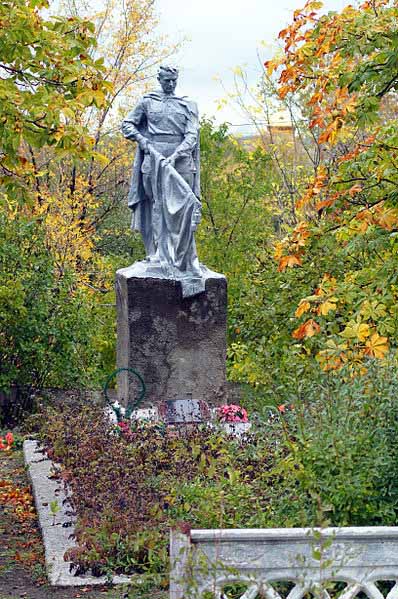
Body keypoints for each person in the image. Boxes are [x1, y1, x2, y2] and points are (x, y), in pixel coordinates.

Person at [121, 66, 202, 287]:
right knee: (158, 205)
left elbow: (192, 135)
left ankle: (183, 256)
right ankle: (158, 252)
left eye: (174, 80)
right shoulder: (147, 102)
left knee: (184, 206)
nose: (170, 85)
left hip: (181, 160)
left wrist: (175, 156)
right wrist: (144, 142)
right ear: (159, 79)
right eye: (167, 80)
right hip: (154, 159)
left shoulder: (187, 105)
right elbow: (127, 124)